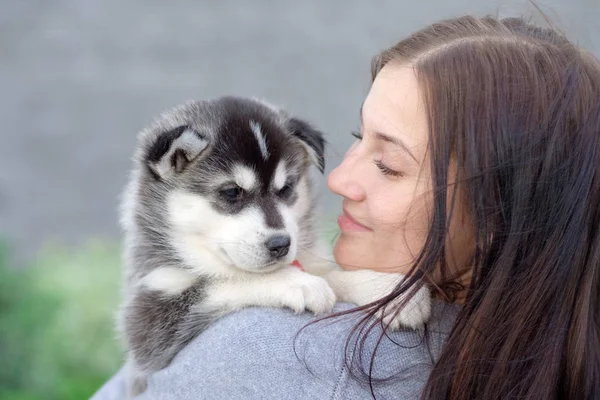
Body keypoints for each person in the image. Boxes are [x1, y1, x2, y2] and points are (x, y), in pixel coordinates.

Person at [92, 13, 600, 400]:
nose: (338, 179)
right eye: (360, 138)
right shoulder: (565, 340)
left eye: (390, 165)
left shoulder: (289, 356)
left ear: (498, 214)